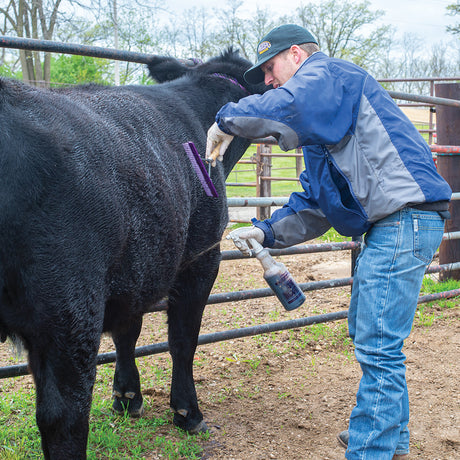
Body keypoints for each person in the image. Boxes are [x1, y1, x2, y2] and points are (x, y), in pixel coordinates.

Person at [205, 24, 451, 460]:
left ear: (297, 55)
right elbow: (318, 204)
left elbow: (290, 104)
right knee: (369, 331)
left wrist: (228, 120)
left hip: (404, 218)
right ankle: (390, 436)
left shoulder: (330, 77)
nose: (268, 79)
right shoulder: (326, 127)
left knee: (377, 340)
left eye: (271, 67)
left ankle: (370, 448)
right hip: (394, 224)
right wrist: (265, 231)